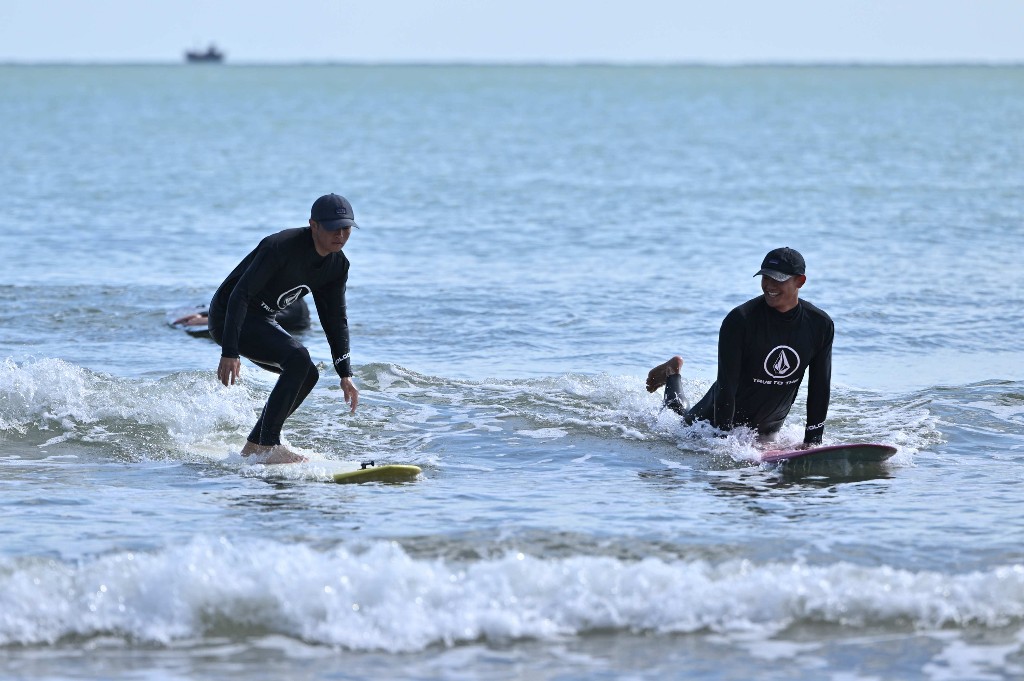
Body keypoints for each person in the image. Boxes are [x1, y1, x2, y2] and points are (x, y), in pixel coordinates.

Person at [208, 193, 360, 464]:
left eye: (345, 228)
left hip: (263, 319)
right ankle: (269, 445)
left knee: (308, 373)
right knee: (298, 358)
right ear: (313, 225)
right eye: (332, 227)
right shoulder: (281, 246)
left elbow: (335, 319)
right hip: (228, 317)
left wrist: (345, 373)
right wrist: (230, 351)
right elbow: (239, 295)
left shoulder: (337, 266)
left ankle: (256, 444)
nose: (340, 234)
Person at [646, 247, 833, 447]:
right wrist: (723, 441)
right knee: (679, 421)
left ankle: (673, 374)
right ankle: (672, 373)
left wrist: (813, 441)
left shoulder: (819, 325)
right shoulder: (741, 320)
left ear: (800, 281)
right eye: (765, 277)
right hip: (711, 422)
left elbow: (819, 387)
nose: (769, 285)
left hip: (767, 430)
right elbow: (727, 385)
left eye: (778, 279)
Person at [173, 297, 310, 334]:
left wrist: (207, 320)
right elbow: (251, 304)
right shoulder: (281, 294)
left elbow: (255, 317)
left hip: (292, 329)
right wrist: (205, 313)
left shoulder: (295, 311)